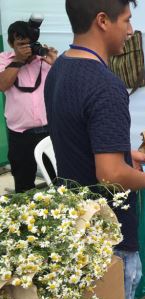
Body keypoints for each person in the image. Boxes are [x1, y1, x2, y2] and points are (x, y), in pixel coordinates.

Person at [44, 1, 145, 299]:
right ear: (102, 21)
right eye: (127, 21)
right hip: (108, 235)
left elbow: (76, 137)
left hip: (75, 224)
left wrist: (124, 152)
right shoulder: (105, 85)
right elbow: (110, 174)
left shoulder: (59, 70)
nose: (130, 31)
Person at [0, 20, 57, 192]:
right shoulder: (4, 60)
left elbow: (68, 88)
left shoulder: (44, 60)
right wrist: (18, 60)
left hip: (50, 133)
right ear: (11, 44)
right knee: (24, 187)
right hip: (21, 136)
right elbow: (2, 85)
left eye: (29, 44)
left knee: (58, 181)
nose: (27, 48)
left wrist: (56, 64)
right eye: (21, 44)